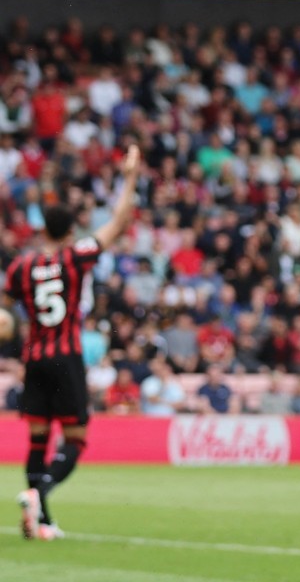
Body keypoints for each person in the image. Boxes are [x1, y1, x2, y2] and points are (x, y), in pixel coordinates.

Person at [3, 145, 141, 540]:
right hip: (66, 355)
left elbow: (7, 310)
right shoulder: (75, 256)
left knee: (38, 437)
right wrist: (129, 176)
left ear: (43, 228)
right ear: (69, 231)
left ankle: (42, 521)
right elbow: (118, 221)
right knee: (76, 439)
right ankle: (38, 493)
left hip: (34, 357)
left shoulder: (20, 266)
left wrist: (9, 324)